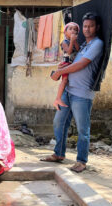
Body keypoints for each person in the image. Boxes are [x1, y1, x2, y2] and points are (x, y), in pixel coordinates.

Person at [41, 12, 103, 173]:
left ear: (97, 27)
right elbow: (70, 59)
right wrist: (60, 70)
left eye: (91, 26)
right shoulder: (82, 45)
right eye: (85, 26)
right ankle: (59, 154)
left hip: (82, 94)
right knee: (59, 122)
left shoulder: (97, 44)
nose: (87, 29)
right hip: (68, 91)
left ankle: (81, 161)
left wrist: (59, 73)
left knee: (83, 129)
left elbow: (81, 64)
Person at [53, 22, 80, 111]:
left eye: (75, 30)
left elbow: (78, 50)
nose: (73, 31)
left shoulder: (74, 41)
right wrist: (72, 41)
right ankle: (58, 98)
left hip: (72, 65)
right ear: (65, 32)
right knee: (64, 80)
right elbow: (68, 52)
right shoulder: (64, 42)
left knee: (68, 81)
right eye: (70, 29)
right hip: (66, 64)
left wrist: (74, 41)